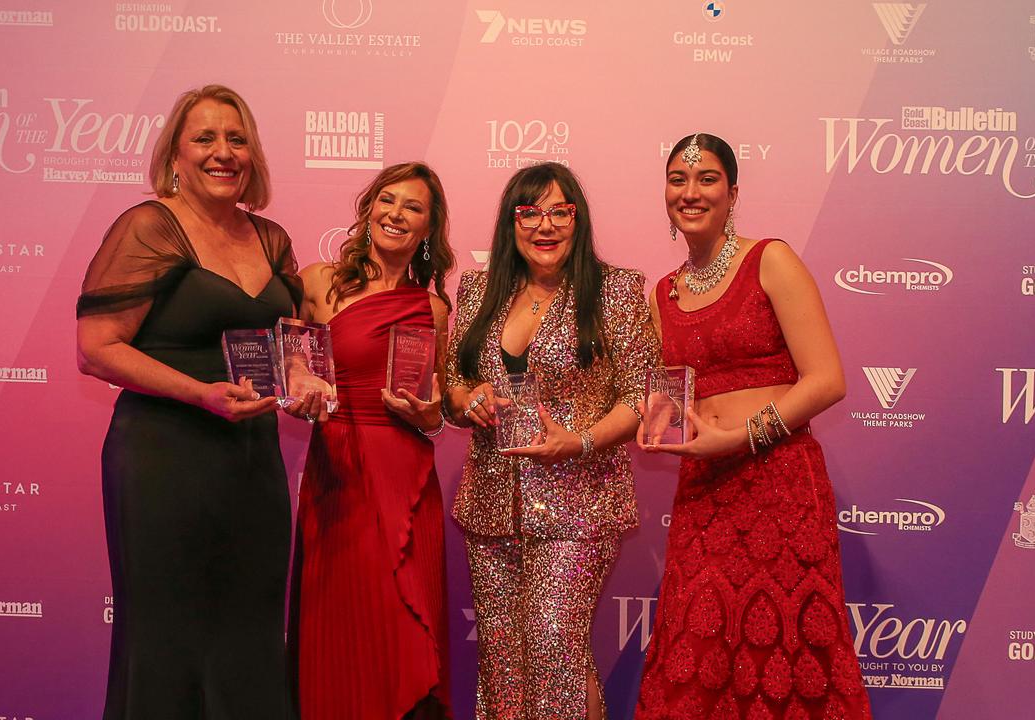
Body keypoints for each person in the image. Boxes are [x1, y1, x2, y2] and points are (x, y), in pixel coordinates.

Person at [76, 84, 299, 719]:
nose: (222, 152)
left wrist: (303, 378)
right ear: (175, 152)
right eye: (205, 138)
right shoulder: (149, 226)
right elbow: (96, 348)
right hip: (164, 458)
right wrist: (199, 393)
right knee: (166, 637)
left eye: (236, 138)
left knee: (251, 634)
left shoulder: (272, 238)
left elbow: (284, 345)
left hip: (252, 462)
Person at [633, 133, 871, 719]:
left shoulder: (771, 259)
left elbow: (827, 380)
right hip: (704, 494)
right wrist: (645, 418)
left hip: (779, 486)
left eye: (707, 179)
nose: (691, 192)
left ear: (733, 192)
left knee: (784, 648)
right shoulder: (662, 292)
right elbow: (668, 394)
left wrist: (739, 438)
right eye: (678, 179)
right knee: (700, 648)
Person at [444, 162, 659, 719]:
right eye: (529, 211)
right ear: (510, 223)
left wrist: (582, 441)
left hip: (579, 507)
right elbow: (454, 380)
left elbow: (641, 396)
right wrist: (469, 402)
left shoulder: (616, 291)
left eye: (559, 211)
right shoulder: (477, 290)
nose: (545, 225)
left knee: (554, 650)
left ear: (578, 219)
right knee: (503, 665)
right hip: (491, 508)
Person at [284, 162, 455, 720]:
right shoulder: (316, 283)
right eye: (388, 200)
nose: (396, 214)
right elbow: (281, 359)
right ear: (369, 208)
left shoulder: (432, 309)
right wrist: (295, 377)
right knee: (342, 624)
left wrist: (431, 415)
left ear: (429, 228)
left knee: (407, 625)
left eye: (413, 207)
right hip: (339, 475)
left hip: (407, 474)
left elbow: (439, 406)